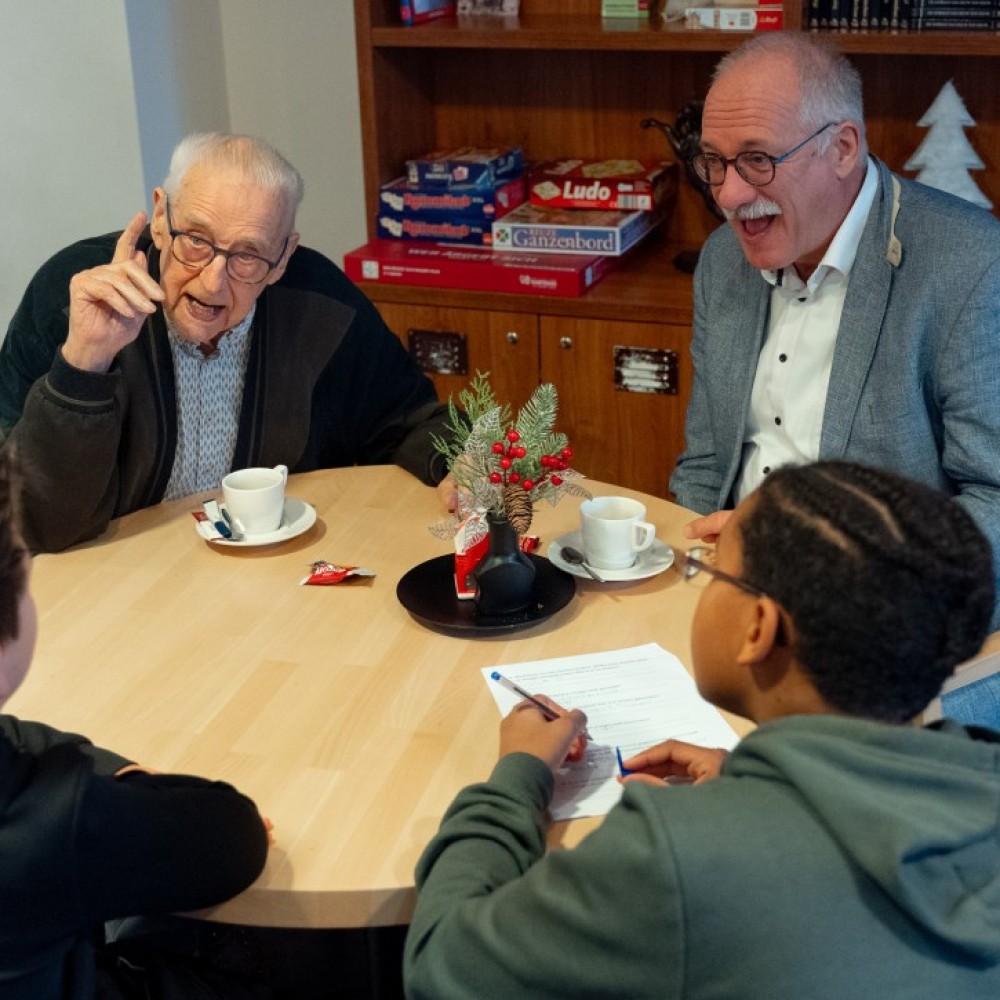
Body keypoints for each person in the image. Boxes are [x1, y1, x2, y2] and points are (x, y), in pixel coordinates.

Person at [403, 461, 1000, 999]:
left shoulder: (679, 857)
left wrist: (518, 774)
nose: (705, 585)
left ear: (757, 628)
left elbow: (442, 964)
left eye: (713, 573)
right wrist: (756, 780)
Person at [667, 33, 1000, 629]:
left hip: (878, 619)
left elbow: (995, 504)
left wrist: (839, 556)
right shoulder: (722, 261)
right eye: (713, 162)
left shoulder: (970, 267)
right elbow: (705, 465)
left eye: (758, 159)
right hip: (727, 594)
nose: (729, 194)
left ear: (843, 147)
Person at [0, 132, 453, 553]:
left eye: (248, 256)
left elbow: (409, 421)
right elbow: (28, 521)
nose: (213, 281)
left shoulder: (320, 301)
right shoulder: (73, 296)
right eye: (196, 240)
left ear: (282, 259)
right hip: (114, 581)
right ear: (160, 219)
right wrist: (85, 361)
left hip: (271, 576)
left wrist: (461, 464)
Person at [0, 450, 270, 998]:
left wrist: (115, 772)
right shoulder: (55, 821)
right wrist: (116, 789)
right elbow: (234, 839)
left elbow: (15, 733)